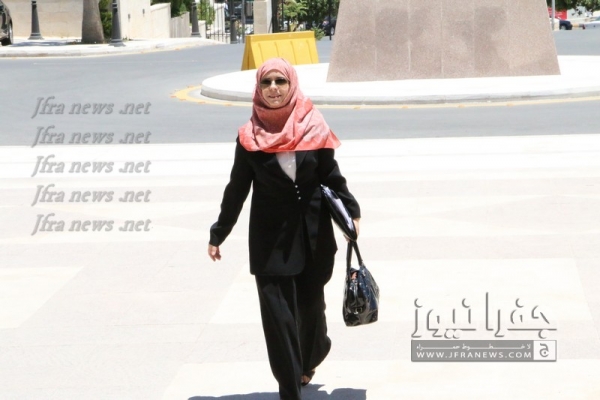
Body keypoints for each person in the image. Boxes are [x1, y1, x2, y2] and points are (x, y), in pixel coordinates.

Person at [207, 57, 361, 400]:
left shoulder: (314, 125)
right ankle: (289, 389)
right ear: (258, 89)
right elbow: (237, 189)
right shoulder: (249, 137)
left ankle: (311, 355)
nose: (274, 88)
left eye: (280, 81)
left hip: (313, 237)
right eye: (266, 82)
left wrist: (351, 212)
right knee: (279, 319)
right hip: (270, 240)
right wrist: (219, 232)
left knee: (310, 310)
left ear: (292, 84)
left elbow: (330, 176)